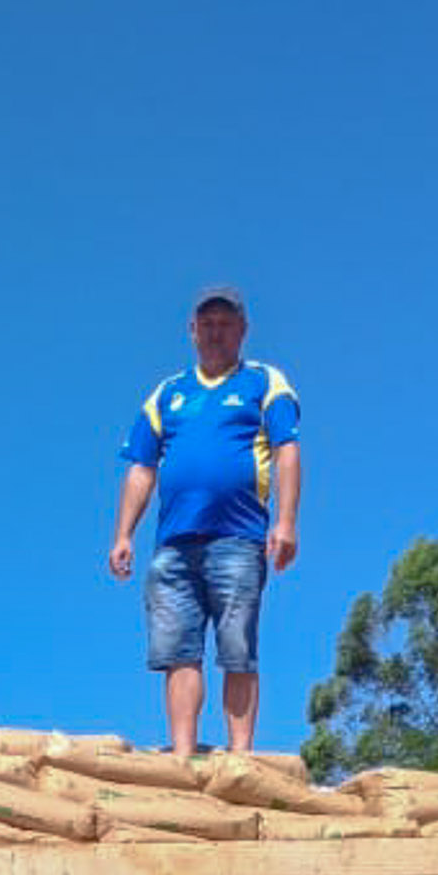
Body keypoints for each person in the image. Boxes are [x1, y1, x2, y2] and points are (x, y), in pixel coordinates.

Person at [107, 285, 301, 757]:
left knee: (237, 649)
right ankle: (183, 756)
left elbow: (286, 450)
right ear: (193, 331)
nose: (216, 333)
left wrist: (286, 522)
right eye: (208, 324)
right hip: (174, 544)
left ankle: (240, 757)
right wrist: (123, 534)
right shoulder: (168, 393)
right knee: (178, 652)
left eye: (225, 324)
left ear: (242, 330)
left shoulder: (263, 381)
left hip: (239, 537)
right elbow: (141, 467)